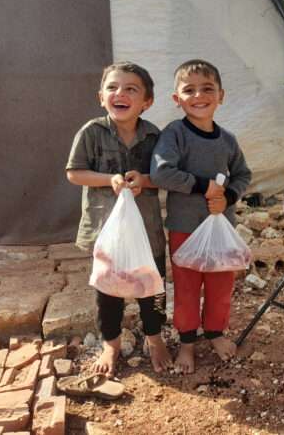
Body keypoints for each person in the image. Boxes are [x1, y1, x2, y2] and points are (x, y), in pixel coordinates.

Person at [66, 61, 171, 376]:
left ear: (146, 102)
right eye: (112, 87)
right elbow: (74, 173)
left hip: (147, 229)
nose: (120, 93)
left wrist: (145, 180)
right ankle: (110, 343)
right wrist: (108, 180)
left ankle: (154, 337)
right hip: (105, 230)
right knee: (108, 291)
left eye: (131, 89)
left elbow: (165, 176)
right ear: (101, 96)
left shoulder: (155, 136)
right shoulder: (92, 133)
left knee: (152, 285)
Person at [151, 59, 251, 374]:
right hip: (185, 229)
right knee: (187, 288)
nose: (198, 95)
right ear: (176, 99)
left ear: (220, 95)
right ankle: (187, 343)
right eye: (189, 90)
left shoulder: (228, 141)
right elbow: (161, 172)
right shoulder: (174, 134)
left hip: (221, 231)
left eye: (207, 89)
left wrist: (228, 197)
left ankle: (215, 333)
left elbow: (243, 175)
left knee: (222, 286)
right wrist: (203, 186)